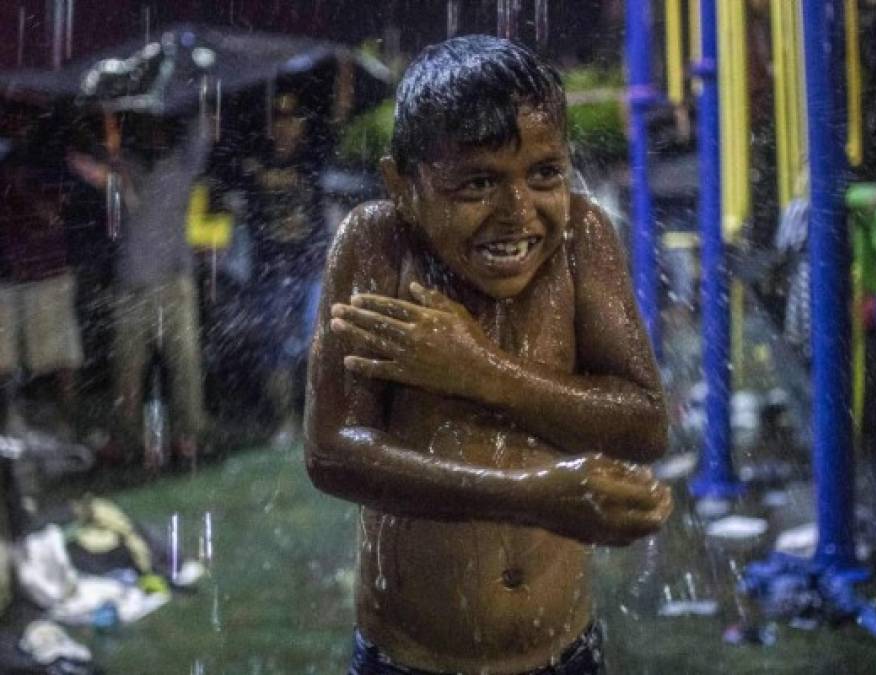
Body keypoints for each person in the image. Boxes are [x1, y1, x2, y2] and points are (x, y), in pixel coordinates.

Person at [304, 36, 672, 674]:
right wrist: (529, 495)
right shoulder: (376, 244)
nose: (518, 213)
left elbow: (644, 423)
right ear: (403, 185)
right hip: (412, 660)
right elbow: (334, 454)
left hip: (563, 653)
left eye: (545, 174)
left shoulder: (582, 237)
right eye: (477, 183)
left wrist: (481, 372)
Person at [68, 112, 210, 469]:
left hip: (174, 283)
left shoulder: (181, 164)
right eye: (148, 124)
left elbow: (204, 129)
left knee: (184, 364)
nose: (153, 131)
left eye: (159, 124)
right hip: (131, 286)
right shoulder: (125, 166)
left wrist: (205, 92)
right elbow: (93, 170)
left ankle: (186, 436)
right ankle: (127, 439)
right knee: (128, 368)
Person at [242, 92, 329, 446]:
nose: (285, 126)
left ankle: (318, 418)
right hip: (270, 271)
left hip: (310, 268)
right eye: (279, 119)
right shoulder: (254, 162)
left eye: (292, 119)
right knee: (275, 348)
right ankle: (286, 421)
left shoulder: (313, 159)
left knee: (318, 345)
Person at [0, 161, 84, 438]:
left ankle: (65, 424)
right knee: (6, 363)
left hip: (47, 276)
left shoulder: (44, 163)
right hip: (11, 279)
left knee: (58, 359)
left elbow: (56, 216)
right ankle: (13, 425)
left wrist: (23, 187)